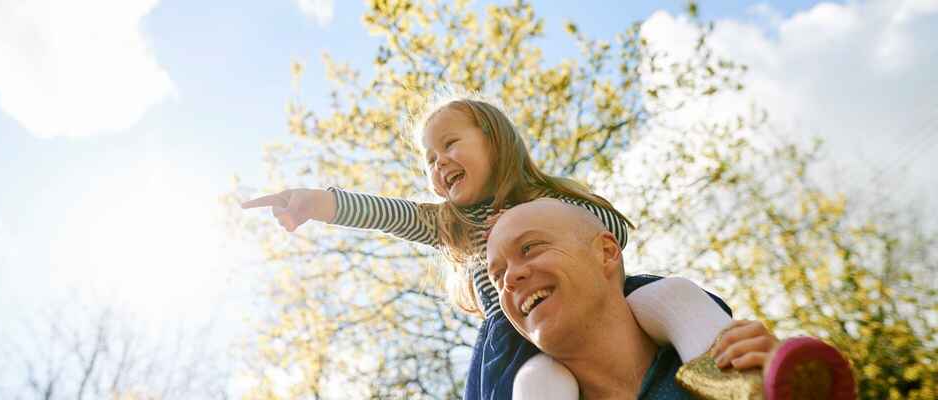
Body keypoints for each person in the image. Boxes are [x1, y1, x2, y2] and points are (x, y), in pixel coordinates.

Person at [242, 97, 738, 400]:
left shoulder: (547, 196)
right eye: (430, 160)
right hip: (519, 333)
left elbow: (612, 230)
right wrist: (313, 202)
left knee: (672, 295)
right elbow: (381, 211)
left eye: (450, 145)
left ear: (495, 142)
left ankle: (744, 378)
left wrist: (533, 218)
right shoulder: (449, 224)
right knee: (538, 385)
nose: (439, 164)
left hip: (604, 300)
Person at [486, 198, 856, 399]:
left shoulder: (732, 360)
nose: (510, 279)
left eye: (530, 248)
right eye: (497, 274)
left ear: (606, 253)